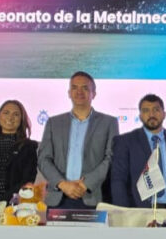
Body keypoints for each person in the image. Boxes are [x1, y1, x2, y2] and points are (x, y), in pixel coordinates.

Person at [37, 71, 118, 209]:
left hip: (93, 196)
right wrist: (62, 184)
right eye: (74, 87)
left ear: (94, 93)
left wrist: (86, 184)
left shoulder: (109, 122)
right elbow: (43, 159)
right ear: (69, 93)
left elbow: (111, 158)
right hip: (58, 197)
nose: (79, 92)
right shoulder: (53, 123)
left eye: (85, 88)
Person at [111, 94, 166, 209]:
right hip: (138, 209)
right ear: (140, 116)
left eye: (156, 110)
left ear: (164, 114)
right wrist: (123, 212)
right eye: (146, 110)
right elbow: (118, 180)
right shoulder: (125, 141)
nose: (151, 114)